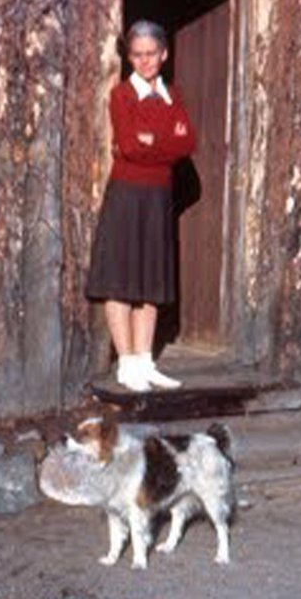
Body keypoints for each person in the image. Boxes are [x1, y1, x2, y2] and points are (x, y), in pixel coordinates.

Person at [85, 21, 196, 393]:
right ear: (129, 57)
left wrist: (154, 142)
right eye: (137, 55)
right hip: (127, 193)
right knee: (121, 277)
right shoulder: (121, 96)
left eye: (151, 54)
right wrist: (159, 143)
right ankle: (127, 364)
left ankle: (145, 362)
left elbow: (186, 143)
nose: (145, 61)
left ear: (163, 54)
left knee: (152, 279)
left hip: (158, 195)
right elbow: (131, 145)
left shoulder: (172, 96)